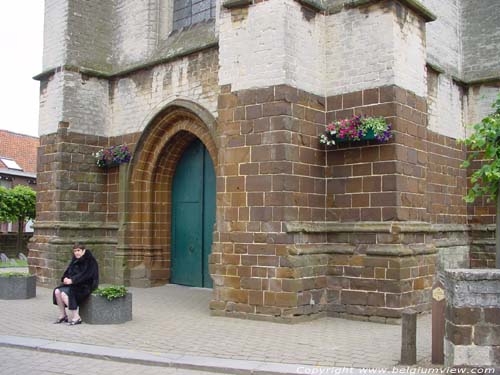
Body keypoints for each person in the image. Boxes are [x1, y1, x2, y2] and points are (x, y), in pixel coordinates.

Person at [52, 243, 99, 325]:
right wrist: (65, 278)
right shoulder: (75, 260)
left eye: (78, 250)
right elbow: (68, 271)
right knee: (57, 291)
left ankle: (76, 317)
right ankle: (63, 315)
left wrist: (73, 280)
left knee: (64, 294)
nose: (77, 253)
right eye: (75, 251)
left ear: (83, 251)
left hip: (85, 285)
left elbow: (86, 275)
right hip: (73, 284)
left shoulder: (90, 261)